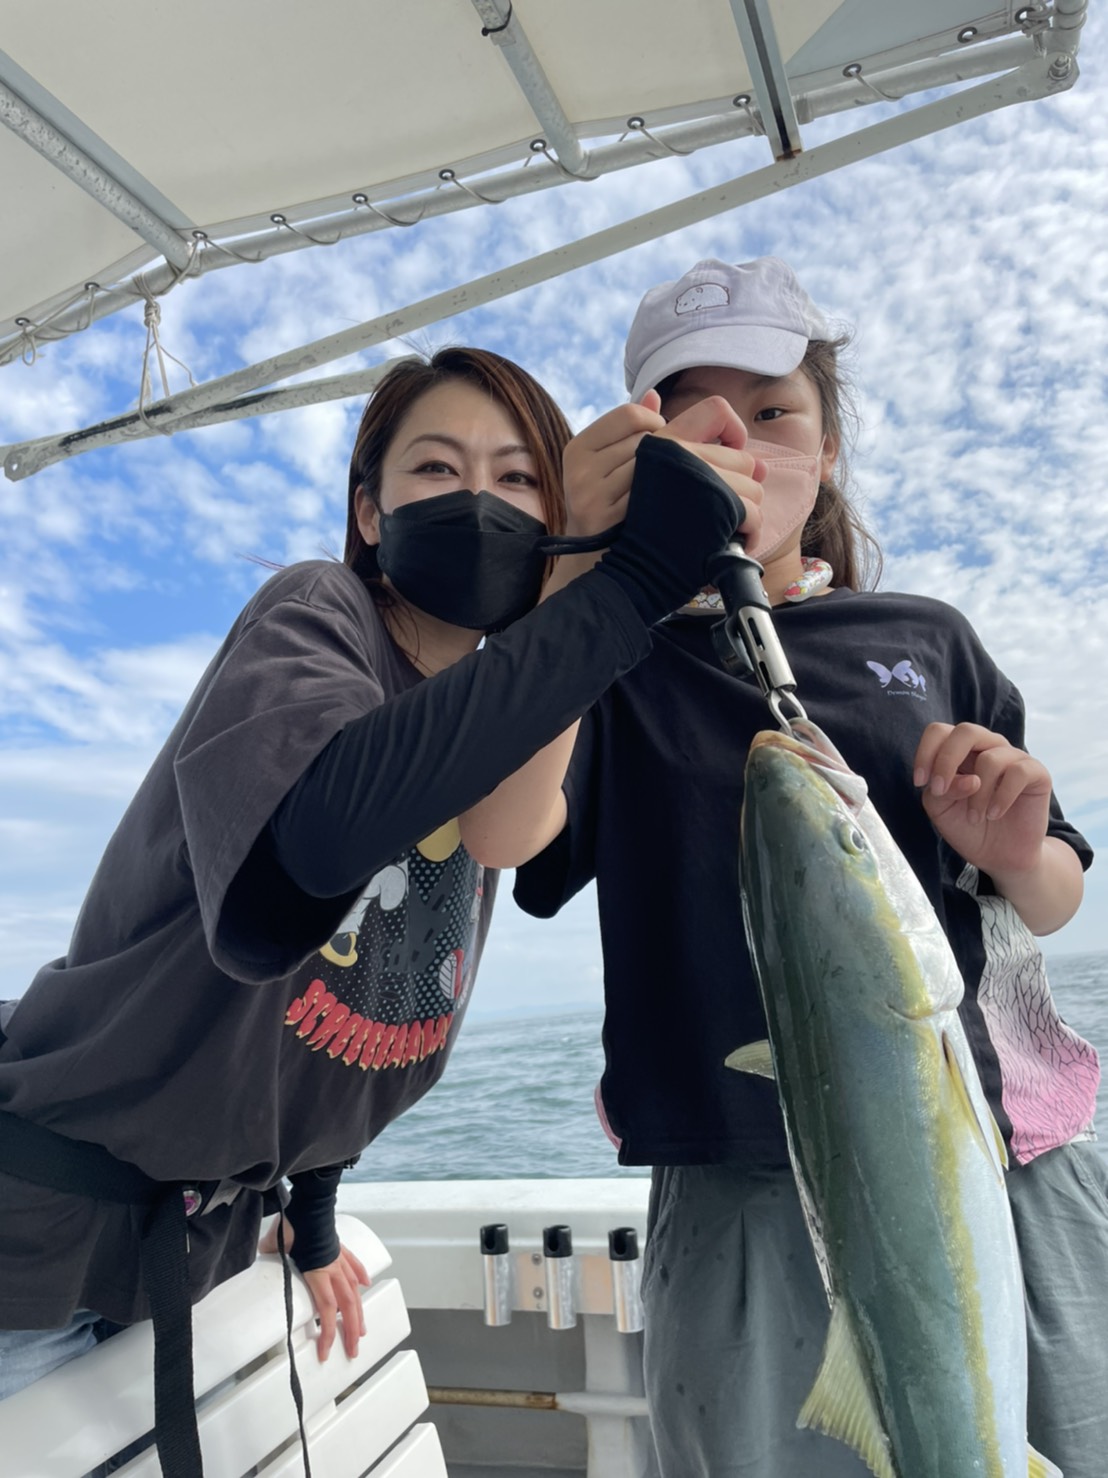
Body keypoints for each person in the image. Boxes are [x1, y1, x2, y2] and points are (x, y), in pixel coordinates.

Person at [0, 343, 760, 1473]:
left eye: (519, 479)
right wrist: (629, 581)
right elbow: (288, 879)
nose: (480, 499)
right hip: (34, 1238)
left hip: (195, 1255)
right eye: (436, 468)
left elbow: (371, 989)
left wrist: (311, 1217)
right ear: (370, 511)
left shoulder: (500, 713)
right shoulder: (317, 610)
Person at [463, 259, 1108, 1478]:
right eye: (690, 420)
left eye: (773, 411)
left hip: (998, 1163)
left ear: (828, 447)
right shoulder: (606, 663)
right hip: (737, 1200)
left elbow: (1054, 888)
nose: (737, 444)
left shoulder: (924, 636)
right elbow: (502, 836)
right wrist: (571, 576)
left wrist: (1017, 852)